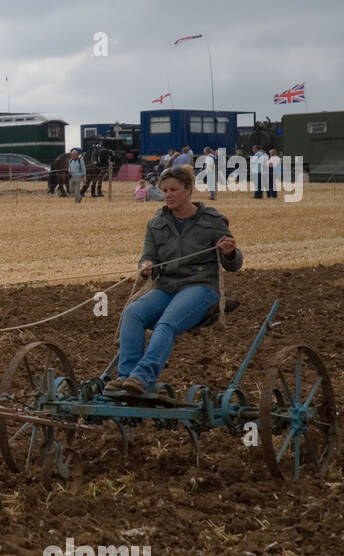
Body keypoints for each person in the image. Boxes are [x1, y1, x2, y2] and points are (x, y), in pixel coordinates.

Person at [104, 164, 243, 396]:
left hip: (200, 287)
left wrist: (229, 252)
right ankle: (126, 377)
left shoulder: (212, 220)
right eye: (165, 190)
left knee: (166, 324)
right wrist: (145, 266)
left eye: (174, 189)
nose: (168, 195)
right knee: (132, 313)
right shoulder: (156, 224)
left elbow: (234, 264)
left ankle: (143, 376)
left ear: (188, 190)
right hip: (166, 286)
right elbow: (148, 256)